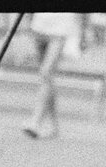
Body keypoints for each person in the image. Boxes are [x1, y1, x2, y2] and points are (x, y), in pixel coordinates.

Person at [21, 13, 84, 141]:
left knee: (46, 72)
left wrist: (82, 32)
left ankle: (35, 122)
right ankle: (54, 126)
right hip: (40, 26)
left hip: (61, 27)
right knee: (46, 78)